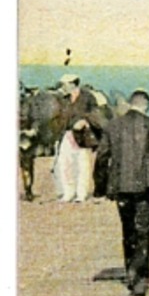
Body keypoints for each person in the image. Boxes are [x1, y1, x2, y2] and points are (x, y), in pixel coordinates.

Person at [97, 90, 149, 296]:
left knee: (128, 230)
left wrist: (101, 185)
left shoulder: (113, 125)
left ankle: (131, 271)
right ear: (146, 105)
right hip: (146, 186)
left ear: (130, 104)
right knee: (143, 231)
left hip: (121, 186)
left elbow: (102, 156)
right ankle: (139, 277)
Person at [54, 75, 105, 203]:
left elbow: (96, 113)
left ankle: (81, 194)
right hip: (66, 135)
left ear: (72, 84)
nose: (62, 86)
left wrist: (85, 120)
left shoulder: (88, 97)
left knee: (83, 165)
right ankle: (68, 192)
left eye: (64, 84)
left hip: (83, 136)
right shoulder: (64, 99)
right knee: (65, 164)